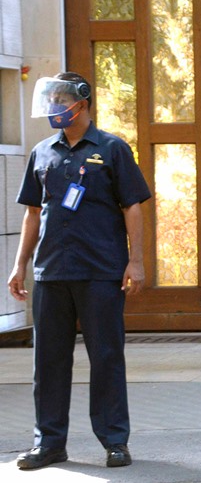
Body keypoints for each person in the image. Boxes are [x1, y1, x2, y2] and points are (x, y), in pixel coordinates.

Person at [8, 72, 151, 469]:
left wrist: (135, 261)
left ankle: (114, 441)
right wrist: (20, 264)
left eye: (61, 99)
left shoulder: (112, 149)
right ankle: (49, 442)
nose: (54, 107)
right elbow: (33, 214)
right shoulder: (42, 152)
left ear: (82, 104)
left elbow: (133, 207)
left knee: (106, 356)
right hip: (51, 271)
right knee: (48, 361)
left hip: (100, 270)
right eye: (50, 99)